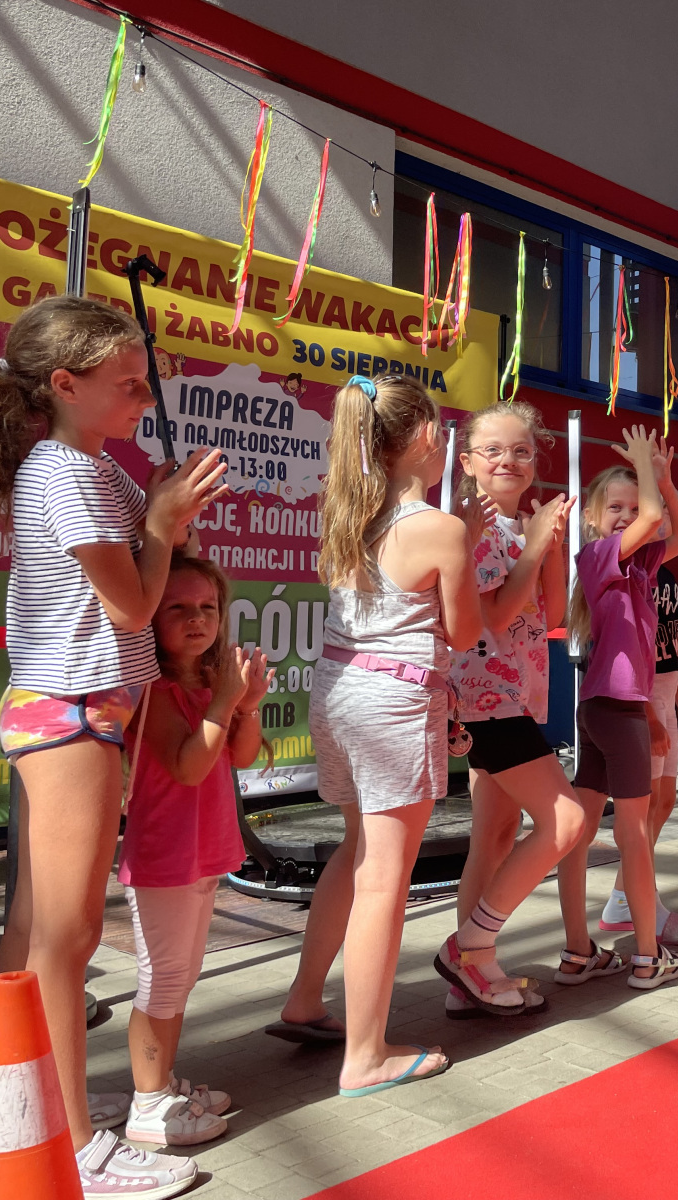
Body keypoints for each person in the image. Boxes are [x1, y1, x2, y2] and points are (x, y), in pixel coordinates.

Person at [0, 295, 228, 1196]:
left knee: (35, 932)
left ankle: (17, 1108)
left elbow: (152, 561)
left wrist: (168, 512)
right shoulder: (63, 473)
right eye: (128, 383)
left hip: (81, 713)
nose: (146, 395)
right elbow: (133, 606)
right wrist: (161, 522)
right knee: (69, 938)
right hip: (70, 712)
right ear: (65, 385)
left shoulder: (97, 469)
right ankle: (76, 1147)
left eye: (146, 380)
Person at [275, 373, 484, 1097]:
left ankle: (306, 999)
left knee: (357, 850)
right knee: (384, 878)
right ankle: (365, 1056)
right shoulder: (440, 529)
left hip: (338, 693)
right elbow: (465, 630)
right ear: (426, 436)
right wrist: (474, 542)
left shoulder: (348, 515)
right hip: (395, 704)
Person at [440, 400, 603, 1005]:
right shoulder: (473, 530)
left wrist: (548, 545)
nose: (508, 460)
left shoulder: (518, 529)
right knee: (566, 821)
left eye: (522, 450)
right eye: (493, 450)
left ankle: (468, 983)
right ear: (466, 463)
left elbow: (552, 613)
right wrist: (535, 547)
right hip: (487, 701)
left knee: (495, 837)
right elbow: (499, 617)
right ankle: (470, 948)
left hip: (517, 700)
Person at [120, 553, 270, 1147]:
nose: (196, 619)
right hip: (164, 854)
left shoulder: (211, 685)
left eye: (207, 607)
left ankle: (161, 1085)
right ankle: (148, 1104)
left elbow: (242, 755)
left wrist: (245, 702)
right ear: (150, 617)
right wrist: (224, 702)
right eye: (177, 607)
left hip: (205, 850)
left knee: (181, 977)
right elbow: (187, 767)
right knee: (161, 979)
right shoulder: (153, 691)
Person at [560, 426, 678, 988]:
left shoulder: (642, 566)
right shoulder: (597, 556)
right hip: (616, 712)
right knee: (633, 834)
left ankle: (577, 952)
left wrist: (663, 480)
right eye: (615, 508)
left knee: (583, 830)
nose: (628, 515)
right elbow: (653, 520)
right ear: (593, 519)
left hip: (602, 711)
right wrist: (644, 470)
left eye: (634, 507)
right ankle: (646, 956)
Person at [597, 555, 678, 946]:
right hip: (643, 703)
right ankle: (638, 902)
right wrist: (648, 716)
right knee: (644, 808)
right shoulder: (630, 576)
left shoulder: (666, 574)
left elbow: (672, 647)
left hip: (663, 701)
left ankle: (624, 897)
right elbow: (627, 653)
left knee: (664, 801)